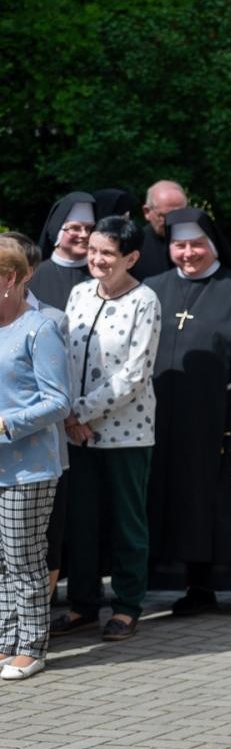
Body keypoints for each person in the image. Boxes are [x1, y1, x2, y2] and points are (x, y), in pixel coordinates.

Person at [145, 208, 231, 623]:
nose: (188, 253)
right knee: (188, 499)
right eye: (179, 245)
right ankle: (197, 586)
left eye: (196, 244)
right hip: (176, 418)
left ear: (212, 244)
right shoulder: (154, 289)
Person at [50, 217, 161, 643]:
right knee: (81, 521)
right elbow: (62, 357)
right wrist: (69, 418)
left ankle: (128, 605)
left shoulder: (145, 301)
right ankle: (82, 604)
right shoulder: (79, 294)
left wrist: (79, 413)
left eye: (107, 253)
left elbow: (133, 374)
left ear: (131, 257)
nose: (96, 258)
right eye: (93, 249)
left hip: (126, 433)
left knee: (126, 522)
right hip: (75, 431)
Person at [0, 238, 69, 681]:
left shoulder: (40, 329)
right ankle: (5, 639)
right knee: (1, 561)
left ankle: (32, 646)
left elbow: (59, 402)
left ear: (9, 279)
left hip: (29, 467)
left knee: (24, 559)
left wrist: (6, 424)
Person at [31, 192, 97, 310]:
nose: (84, 234)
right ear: (57, 232)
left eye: (89, 228)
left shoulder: (102, 273)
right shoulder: (33, 276)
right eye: (75, 228)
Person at [131, 180, 187, 282]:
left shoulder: (198, 244)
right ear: (147, 212)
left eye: (180, 214)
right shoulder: (132, 246)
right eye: (165, 216)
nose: (173, 222)